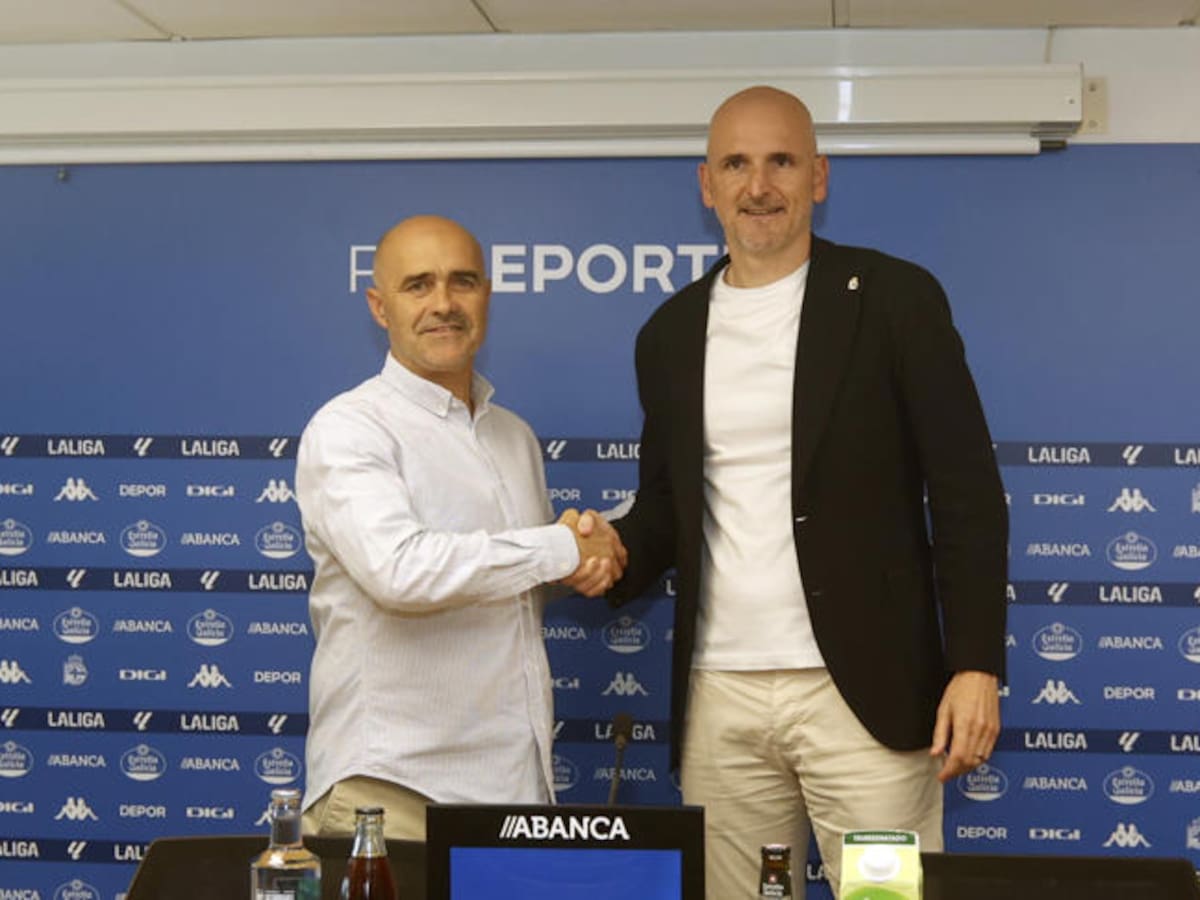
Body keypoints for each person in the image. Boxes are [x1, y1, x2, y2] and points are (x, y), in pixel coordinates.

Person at [605, 86, 1008, 898]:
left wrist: (975, 665)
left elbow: (965, 491)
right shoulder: (669, 333)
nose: (759, 186)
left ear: (818, 177)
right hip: (720, 696)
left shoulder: (895, 299)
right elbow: (668, 508)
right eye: (736, 164)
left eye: (781, 161)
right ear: (706, 184)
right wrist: (604, 551)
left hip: (865, 698)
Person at [295, 214, 624, 840]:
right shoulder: (349, 428)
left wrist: (582, 560)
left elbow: (504, 580)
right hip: (392, 792)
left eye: (462, 282)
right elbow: (399, 572)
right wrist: (559, 547)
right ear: (380, 306)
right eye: (418, 285)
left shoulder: (513, 437)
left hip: (514, 792)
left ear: (486, 296)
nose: (443, 303)